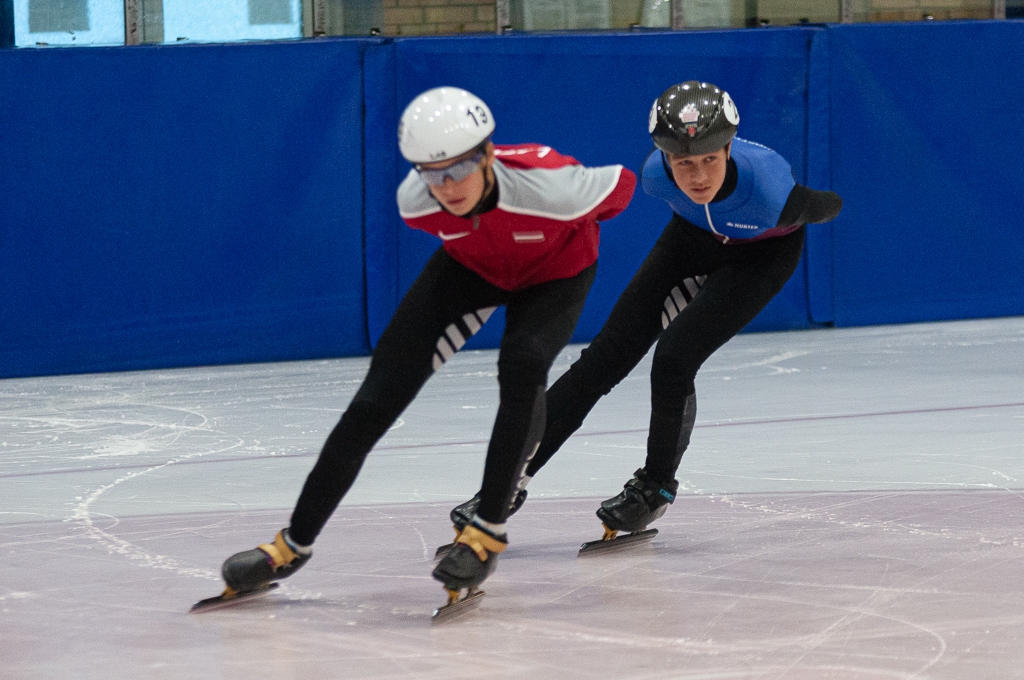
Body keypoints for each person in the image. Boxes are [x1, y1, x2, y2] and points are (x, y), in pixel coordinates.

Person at [214, 87, 636, 607]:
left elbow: (623, 184)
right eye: (431, 173)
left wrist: (570, 234)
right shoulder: (416, 203)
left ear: (486, 155)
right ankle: (292, 545)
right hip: (475, 269)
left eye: (459, 169)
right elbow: (445, 207)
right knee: (373, 401)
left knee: (523, 366)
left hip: (556, 273)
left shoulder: (553, 187)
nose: (447, 187)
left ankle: (486, 533)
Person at [449, 81, 843, 542]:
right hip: (691, 242)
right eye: (684, 163)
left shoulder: (770, 190)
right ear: (664, 157)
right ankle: (507, 484)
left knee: (675, 359)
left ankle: (654, 488)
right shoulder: (654, 176)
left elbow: (827, 206)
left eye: (710, 160)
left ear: (730, 147)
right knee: (601, 360)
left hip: (759, 258)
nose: (698, 177)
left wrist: (815, 208)